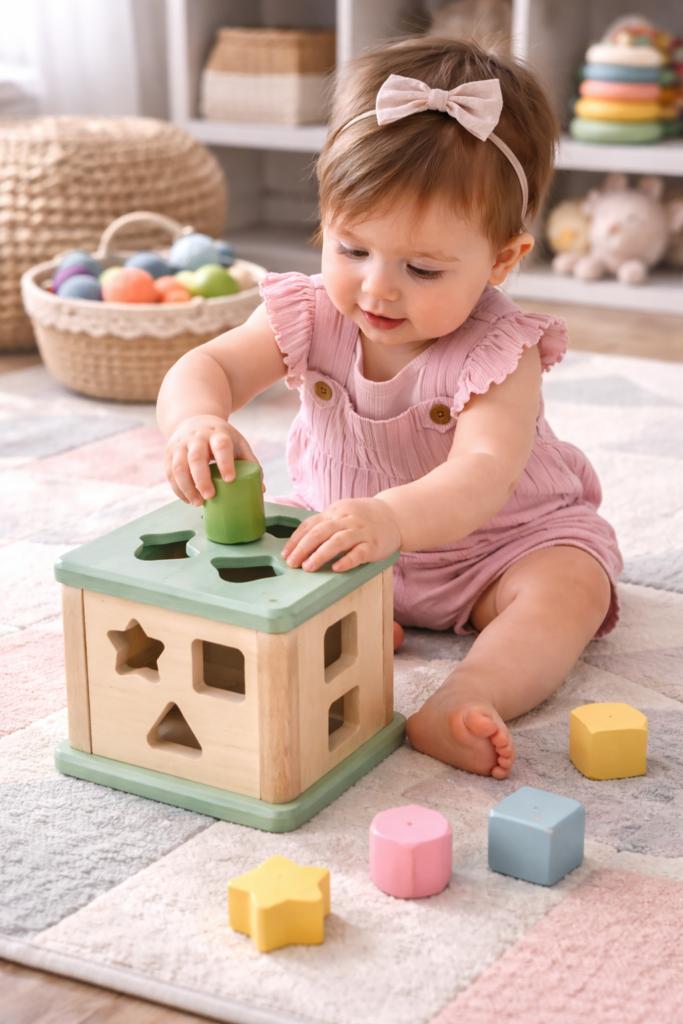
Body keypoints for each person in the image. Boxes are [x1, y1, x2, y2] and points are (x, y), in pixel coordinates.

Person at [157, 37, 622, 781]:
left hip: (496, 549)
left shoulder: (502, 350)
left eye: (421, 268)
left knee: (569, 585)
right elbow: (204, 365)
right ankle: (358, 620)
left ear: (501, 259)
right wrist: (196, 420)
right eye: (351, 249)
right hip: (342, 535)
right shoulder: (309, 313)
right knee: (249, 563)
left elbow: (482, 473)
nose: (376, 290)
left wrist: (394, 521)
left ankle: (468, 693)